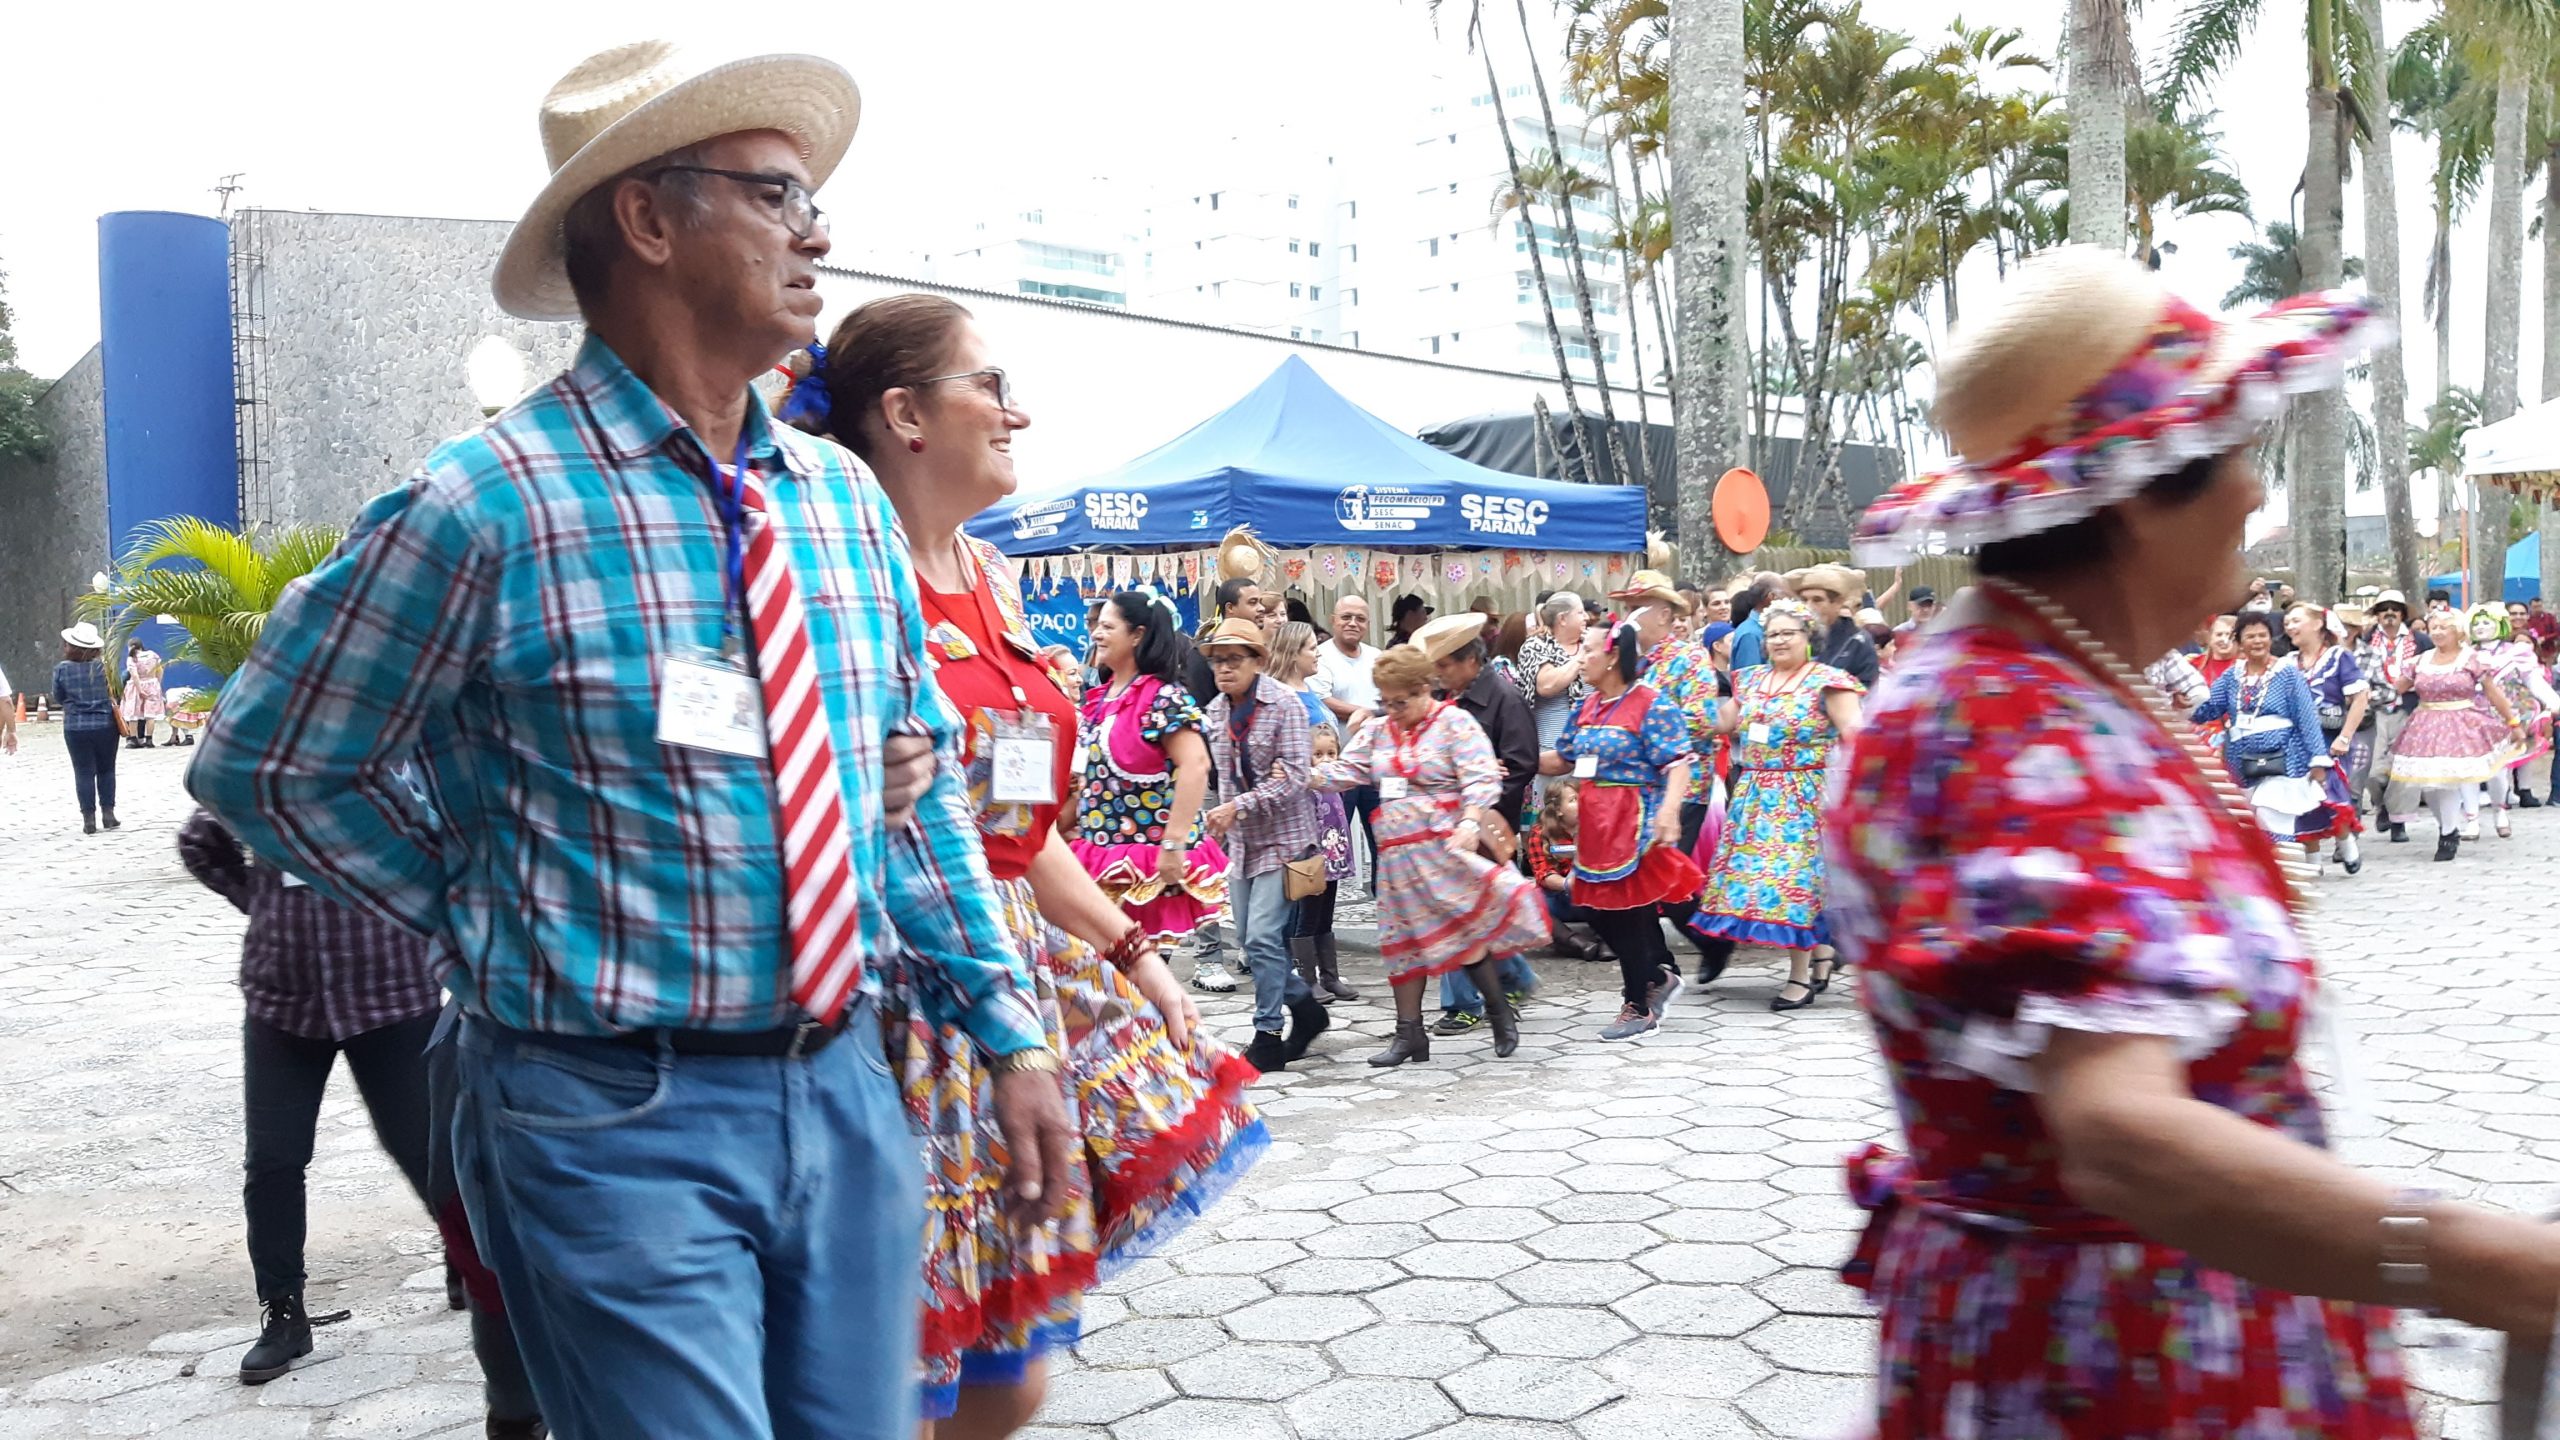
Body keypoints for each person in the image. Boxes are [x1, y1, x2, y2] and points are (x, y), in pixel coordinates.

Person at [187, 45, 1074, 1439]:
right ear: (650, 222)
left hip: (845, 1088)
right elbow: (271, 765)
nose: (819, 230)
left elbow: (909, 800)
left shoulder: (839, 501)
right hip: (608, 1112)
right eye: (777, 194)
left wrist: (1010, 1032)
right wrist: (474, 897)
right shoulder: (486, 505)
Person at [1829, 245, 2560, 1439]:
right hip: (2114, 1371)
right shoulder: (2002, 718)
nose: (2253, 494)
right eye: (2231, 455)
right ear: (2136, 488)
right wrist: (2477, 1259)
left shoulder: (2070, 675)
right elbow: (2118, 1132)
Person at [811, 294, 1263, 1430]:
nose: (1020, 412)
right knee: (900, 1370)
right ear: (905, 414)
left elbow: (1022, 826)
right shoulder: (843, 578)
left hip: (1016, 972)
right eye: (991, 386)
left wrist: (1135, 955)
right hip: (900, 996)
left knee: (1007, 1373)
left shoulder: (991, 576)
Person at [175, 811, 451, 1387]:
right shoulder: (266, 767)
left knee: (423, 1144)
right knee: (273, 1160)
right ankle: (282, 1313)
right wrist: (261, 901)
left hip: (391, 994)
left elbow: (451, 842)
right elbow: (201, 836)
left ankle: (468, 1259)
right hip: (282, 999)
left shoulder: (394, 765)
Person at [1314, 644, 1547, 1066]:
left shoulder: (1455, 724)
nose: (1392, 710)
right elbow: (1346, 772)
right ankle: (1410, 1036)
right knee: (1402, 944)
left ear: (1425, 688)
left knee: (1463, 934)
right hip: (1397, 859)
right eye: (1385, 701)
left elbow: (1480, 779)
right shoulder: (1378, 731)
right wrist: (1306, 773)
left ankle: (1499, 1013)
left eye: (1400, 701)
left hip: (1443, 852)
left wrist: (1470, 822)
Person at [1690, 599, 1864, 1011]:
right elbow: (1723, 722)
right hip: (1754, 795)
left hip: (1803, 796)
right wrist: (1682, 701)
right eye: (1772, 634)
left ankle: (1799, 976)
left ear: (1808, 637)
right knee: (1763, 883)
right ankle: (1820, 954)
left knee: (1793, 883)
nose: (1779, 640)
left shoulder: (1829, 681)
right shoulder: (1750, 680)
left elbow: (1857, 736)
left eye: (1789, 633)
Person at [1545, 626, 1703, 1040]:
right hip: (1595, 823)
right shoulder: (1587, 705)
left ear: (1613, 657)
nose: (1580, 659)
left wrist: (1669, 813)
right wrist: (1507, 756)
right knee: (1594, 907)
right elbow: (1561, 758)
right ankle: (1655, 977)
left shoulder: (1651, 704)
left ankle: (1639, 1000)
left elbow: (1678, 762)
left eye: (1588, 650)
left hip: (1634, 819)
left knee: (1627, 911)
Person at [1073, 591, 1234, 989]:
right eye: (1096, 625)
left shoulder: (1162, 697)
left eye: (1108, 626)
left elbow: (1196, 764)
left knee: (1134, 974)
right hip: (1098, 850)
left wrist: (1174, 844)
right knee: (1109, 974)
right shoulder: (1101, 700)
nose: (1096, 634)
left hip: (1145, 860)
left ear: (1137, 635)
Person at [1197, 617, 1331, 1074]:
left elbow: (1294, 778)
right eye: (1218, 660)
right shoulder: (1215, 711)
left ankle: (1267, 1034)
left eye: (1235, 659)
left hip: (1286, 839)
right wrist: (1221, 820)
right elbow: (1225, 781)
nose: (1224, 668)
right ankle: (1306, 1008)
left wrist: (1242, 804)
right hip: (1241, 842)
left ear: (1259, 660)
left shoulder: (1285, 704)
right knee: (1254, 948)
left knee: (1260, 935)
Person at [1419, 614, 1543, 1036]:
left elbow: (1522, 763)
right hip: (1446, 823)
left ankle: (1464, 1002)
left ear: (1471, 661)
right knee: (1465, 910)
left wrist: (1481, 790)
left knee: (1462, 911)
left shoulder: (1505, 699)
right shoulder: (1446, 700)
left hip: (1484, 825)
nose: (1440, 674)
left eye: (1446, 665)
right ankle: (1513, 977)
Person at [2193, 609, 2363, 875]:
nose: (2257, 641)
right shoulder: (2231, 677)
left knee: (2273, 814)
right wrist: (2182, 702)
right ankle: (2285, 870)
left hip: (2285, 756)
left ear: (2271, 639)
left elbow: (2306, 717)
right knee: (2253, 816)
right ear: (2240, 642)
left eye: (2262, 635)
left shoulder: (2286, 673)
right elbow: (2208, 709)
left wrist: (2318, 759)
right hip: (2242, 760)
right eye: (2250, 637)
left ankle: (2286, 874)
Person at [2388, 607, 2529, 858]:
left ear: (2457, 631)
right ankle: (2446, 825)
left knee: (2449, 781)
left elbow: (2492, 692)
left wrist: (2513, 722)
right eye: (2434, 628)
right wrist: (2370, 697)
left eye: (2444, 628)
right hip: (2425, 724)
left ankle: (2449, 834)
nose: (2438, 632)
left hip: (2460, 723)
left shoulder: (2470, 658)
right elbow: (2396, 688)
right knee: (2429, 785)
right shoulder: (2421, 660)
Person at [1312, 594, 1383, 889]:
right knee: (1332, 840)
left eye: (1360, 618)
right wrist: (1370, 712)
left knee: (1384, 841)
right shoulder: (1321, 655)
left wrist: (1376, 712)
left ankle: (1385, 903)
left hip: (1377, 766)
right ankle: (1317, 927)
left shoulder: (1377, 656)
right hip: (1336, 767)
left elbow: (1389, 698)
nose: (1353, 623)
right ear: (1333, 620)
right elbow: (1323, 699)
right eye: (1346, 617)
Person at [2469, 602, 2558, 834]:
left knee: (2498, 768)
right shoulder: (2466, 653)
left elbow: (2533, 681)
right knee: (2468, 768)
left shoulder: (2515, 652)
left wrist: (2553, 702)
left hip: (2505, 716)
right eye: (2476, 623)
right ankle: (2471, 819)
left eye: (2486, 622)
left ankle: (2500, 809)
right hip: (2471, 716)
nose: (2480, 627)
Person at [1292, 726, 1361, 1002]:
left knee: (1326, 915)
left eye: (1331, 753)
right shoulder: (1305, 785)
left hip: (1334, 859)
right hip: (1312, 860)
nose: (1326, 760)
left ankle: (1329, 975)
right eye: (1318, 754)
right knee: (1307, 917)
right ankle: (1306, 978)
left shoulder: (1335, 783)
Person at [1516, 592, 1587, 808]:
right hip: (1551, 753)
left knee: (1586, 824)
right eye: (1580, 612)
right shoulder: (1536, 646)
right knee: (1554, 824)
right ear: (1563, 619)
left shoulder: (1592, 644)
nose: (1587, 618)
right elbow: (1546, 685)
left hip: (1590, 752)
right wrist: (1581, 658)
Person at [2359, 590, 2421, 839]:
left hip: (2408, 708)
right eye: (2384, 609)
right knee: (2373, 771)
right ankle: (2381, 804)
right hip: (2375, 710)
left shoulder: (2420, 641)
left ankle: (2399, 822)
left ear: (2403, 614)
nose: (2390, 613)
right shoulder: (2365, 641)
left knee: (2403, 767)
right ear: (2377, 615)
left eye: (2395, 608)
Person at [1524, 779, 1607, 962]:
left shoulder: (1597, 827)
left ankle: (1607, 941)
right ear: (1559, 810)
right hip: (1560, 897)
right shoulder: (1540, 833)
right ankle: (1576, 943)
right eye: (1573, 799)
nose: (1582, 803)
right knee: (1526, 900)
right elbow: (1543, 874)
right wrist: (1568, 884)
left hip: (1592, 897)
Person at [53, 622, 119, 833]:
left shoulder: (62, 669)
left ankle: (88, 819)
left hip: (75, 726)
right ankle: (108, 814)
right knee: (107, 769)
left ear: (70, 646)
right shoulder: (105, 667)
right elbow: (118, 689)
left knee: (83, 772)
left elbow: (58, 697)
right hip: (105, 725)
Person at [1786, 564, 1882, 688]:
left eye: (1817, 600)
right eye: (1804, 600)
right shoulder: (1791, 637)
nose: (1808, 607)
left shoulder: (1857, 641)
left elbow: (1868, 689)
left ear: (1837, 604)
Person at [119, 640, 166, 748]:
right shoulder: (153, 655)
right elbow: (160, 670)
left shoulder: (132, 658)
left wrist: (140, 690)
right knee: (150, 715)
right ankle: (149, 740)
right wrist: (157, 683)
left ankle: (133, 740)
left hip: (136, 687)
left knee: (133, 714)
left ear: (130, 647)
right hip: (152, 684)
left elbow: (134, 676)